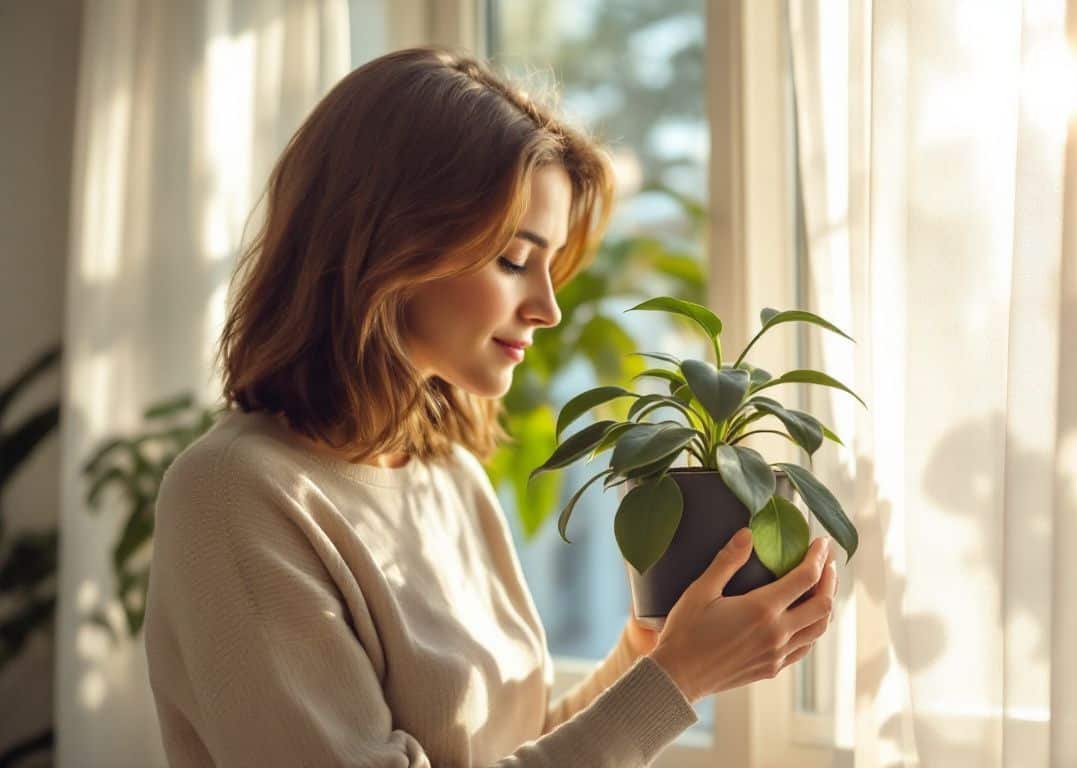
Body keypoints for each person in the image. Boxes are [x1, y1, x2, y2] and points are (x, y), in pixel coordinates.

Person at [142, 47, 839, 767]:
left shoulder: (447, 473)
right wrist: (676, 679)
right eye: (514, 259)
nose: (548, 308)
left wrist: (649, 654)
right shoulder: (233, 496)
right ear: (388, 240)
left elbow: (514, 747)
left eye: (551, 263)